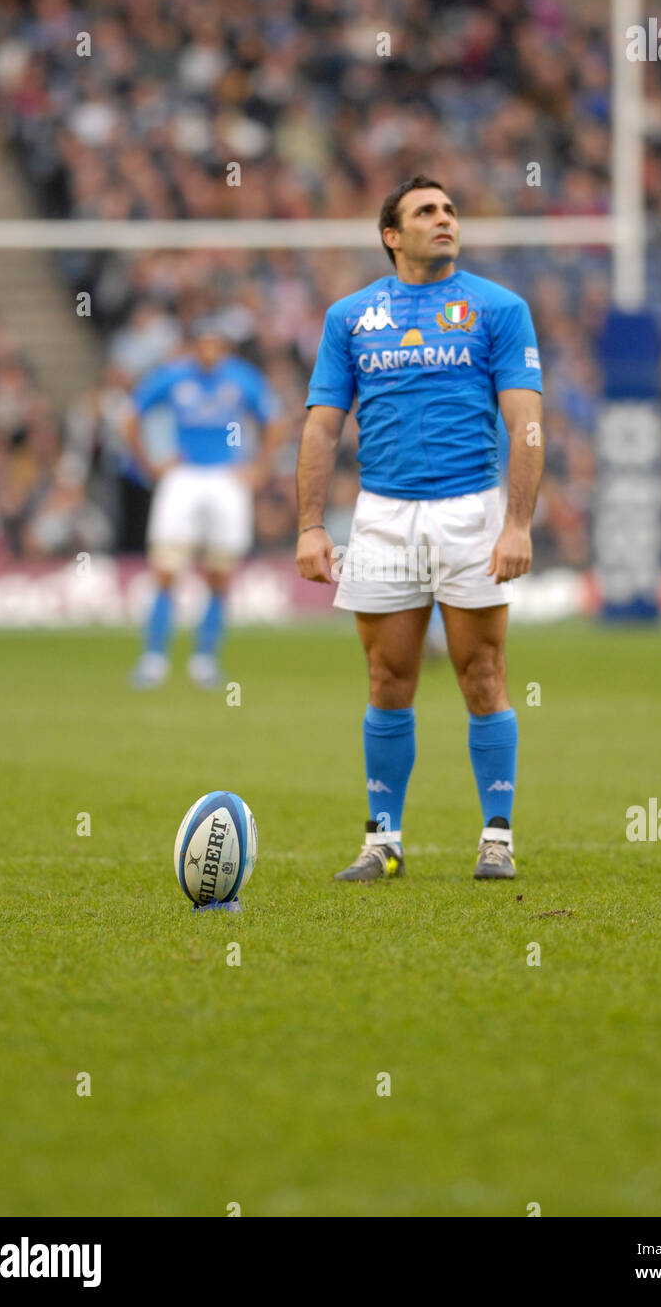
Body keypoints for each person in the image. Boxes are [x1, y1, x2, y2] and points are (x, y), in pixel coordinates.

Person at [295, 176, 544, 881]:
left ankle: (496, 837)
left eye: (450, 210)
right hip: (381, 515)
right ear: (391, 236)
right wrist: (311, 525)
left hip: (470, 509)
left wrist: (517, 523)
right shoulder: (349, 317)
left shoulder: (500, 308)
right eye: (426, 212)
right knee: (387, 676)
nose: (444, 219)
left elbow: (525, 424)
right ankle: (383, 841)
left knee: (482, 673)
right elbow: (321, 428)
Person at [126, 318, 282, 689]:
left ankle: (204, 659)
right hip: (185, 477)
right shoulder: (173, 377)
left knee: (219, 572)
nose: (210, 350)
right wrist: (147, 463)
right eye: (204, 343)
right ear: (194, 345)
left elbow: (275, 423)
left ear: (225, 347)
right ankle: (154, 657)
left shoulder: (242, 378)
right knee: (165, 568)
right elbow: (130, 415)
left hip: (227, 478)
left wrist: (259, 467)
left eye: (217, 343)